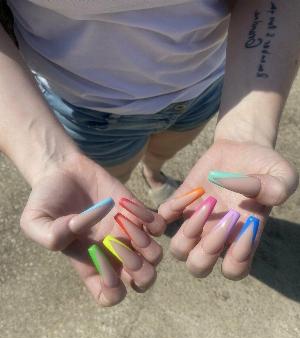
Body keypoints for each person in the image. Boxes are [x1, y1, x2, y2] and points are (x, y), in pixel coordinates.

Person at [0, 0, 298, 306]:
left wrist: (247, 131)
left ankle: (154, 174)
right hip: (87, 110)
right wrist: (50, 160)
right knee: (113, 179)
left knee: (162, 153)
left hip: (207, 86)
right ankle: (149, 177)